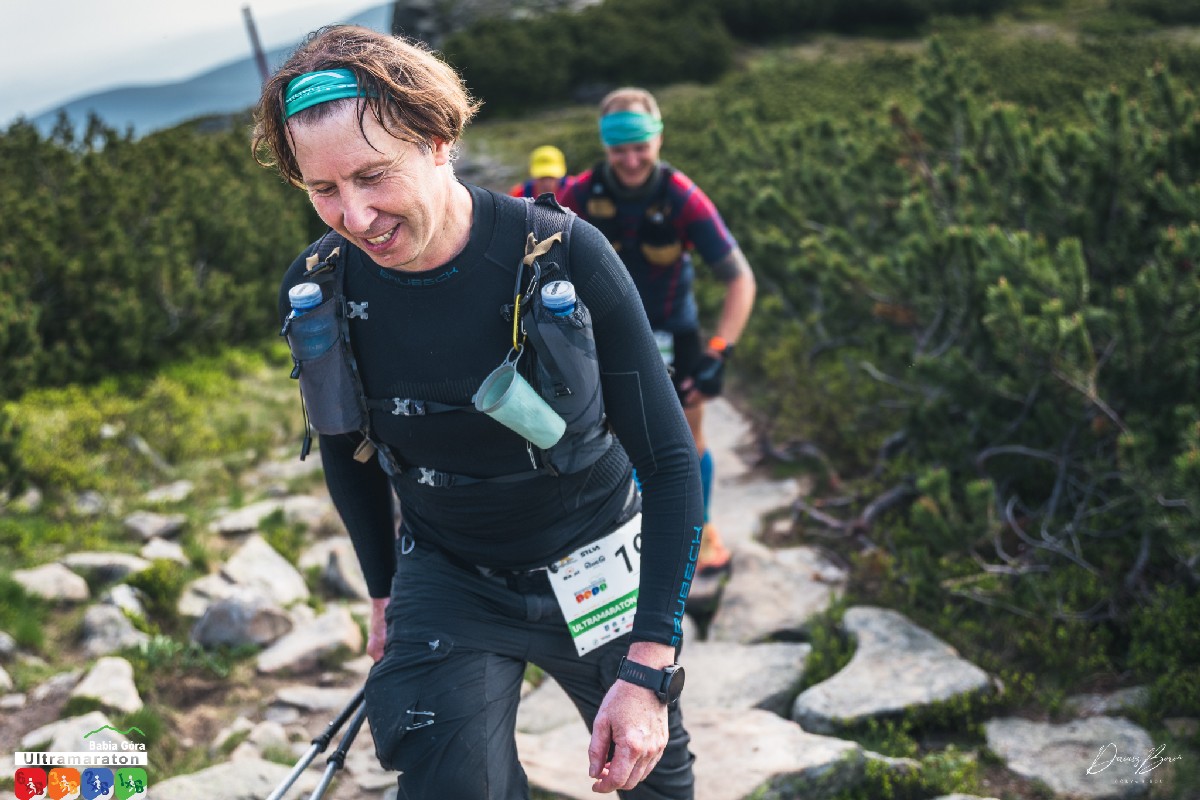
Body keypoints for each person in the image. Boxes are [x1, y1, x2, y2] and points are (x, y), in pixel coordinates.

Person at [253, 26, 702, 800]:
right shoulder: (321, 285)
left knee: (655, 782)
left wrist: (650, 664)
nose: (354, 216)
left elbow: (667, 464)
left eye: (372, 175)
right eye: (323, 190)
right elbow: (343, 444)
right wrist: (384, 591)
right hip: (450, 574)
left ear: (437, 141)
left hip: (597, 557)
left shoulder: (568, 254)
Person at [559, 87, 756, 578]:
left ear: (659, 139)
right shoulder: (580, 195)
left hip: (674, 332)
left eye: (640, 147)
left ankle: (700, 527)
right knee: (610, 438)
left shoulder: (681, 197)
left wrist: (719, 352)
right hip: (603, 335)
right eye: (619, 149)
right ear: (605, 146)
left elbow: (740, 278)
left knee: (687, 437)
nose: (631, 161)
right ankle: (626, 532)